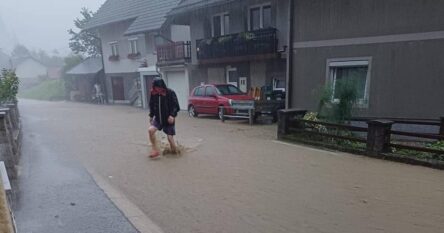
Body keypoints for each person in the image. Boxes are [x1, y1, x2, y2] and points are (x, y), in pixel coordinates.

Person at [148, 78, 180, 159]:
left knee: (170, 138)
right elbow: (151, 105)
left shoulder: (170, 93)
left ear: (163, 87)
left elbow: (176, 106)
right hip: (158, 118)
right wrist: (151, 116)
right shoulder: (153, 93)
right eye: (155, 88)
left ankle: (176, 153)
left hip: (168, 119)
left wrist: (172, 115)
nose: (157, 89)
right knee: (150, 130)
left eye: (159, 88)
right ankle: (155, 150)